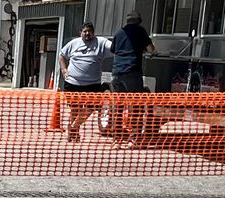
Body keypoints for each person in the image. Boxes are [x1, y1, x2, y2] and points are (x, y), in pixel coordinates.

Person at [55, 22, 112, 141]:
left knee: (91, 107)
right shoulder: (74, 43)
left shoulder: (101, 42)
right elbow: (61, 55)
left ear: (93, 32)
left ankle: (74, 127)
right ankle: (73, 134)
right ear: (80, 33)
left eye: (90, 31)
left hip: (93, 84)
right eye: (85, 31)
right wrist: (64, 69)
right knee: (75, 109)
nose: (87, 34)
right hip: (73, 83)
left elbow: (114, 47)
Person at [111, 13, 155, 143]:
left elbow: (113, 50)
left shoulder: (119, 33)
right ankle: (134, 139)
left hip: (117, 73)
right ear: (139, 21)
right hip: (132, 71)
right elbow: (151, 49)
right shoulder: (140, 31)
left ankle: (117, 139)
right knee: (136, 105)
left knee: (118, 107)